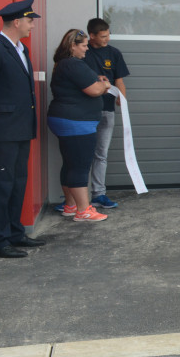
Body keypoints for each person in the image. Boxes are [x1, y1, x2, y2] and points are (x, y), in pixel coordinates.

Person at [0, 0, 45, 257]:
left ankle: (15, 234)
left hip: (20, 129)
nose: (32, 25)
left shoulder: (21, 49)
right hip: (1, 132)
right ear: (16, 22)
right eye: (30, 21)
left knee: (17, 183)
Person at [48, 29, 112, 222]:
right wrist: (104, 85)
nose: (86, 49)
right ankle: (83, 211)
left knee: (70, 163)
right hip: (77, 123)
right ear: (72, 46)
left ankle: (71, 205)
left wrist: (97, 81)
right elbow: (93, 90)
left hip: (66, 120)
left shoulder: (64, 64)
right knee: (80, 166)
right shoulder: (73, 64)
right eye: (83, 45)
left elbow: (84, 83)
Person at [83, 17, 129, 209]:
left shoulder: (114, 53)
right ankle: (75, 198)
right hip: (84, 112)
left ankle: (98, 194)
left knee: (101, 154)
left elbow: (119, 81)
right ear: (91, 36)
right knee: (81, 153)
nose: (107, 39)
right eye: (103, 36)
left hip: (107, 110)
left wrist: (122, 99)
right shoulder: (82, 51)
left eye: (108, 35)